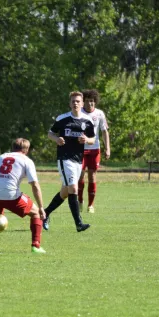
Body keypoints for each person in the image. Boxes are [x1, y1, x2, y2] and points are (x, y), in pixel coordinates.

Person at [0, 138, 47, 253]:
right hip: (11, 194)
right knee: (36, 212)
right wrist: (41, 207)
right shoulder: (26, 160)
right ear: (26, 150)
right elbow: (35, 185)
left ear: (12, 148)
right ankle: (36, 246)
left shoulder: (0, 157)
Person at [42, 91, 96, 232]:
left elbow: (93, 139)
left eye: (78, 101)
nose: (75, 103)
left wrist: (86, 140)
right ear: (69, 103)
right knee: (73, 188)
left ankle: (45, 213)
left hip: (78, 160)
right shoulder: (62, 119)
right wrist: (56, 139)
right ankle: (79, 224)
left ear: (82, 103)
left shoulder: (87, 121)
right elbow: (50, 133)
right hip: (65, 159)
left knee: (65, 192)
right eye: (73, 101)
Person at [78, 89, 110, 213]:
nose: (90, 104)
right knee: (80, 176)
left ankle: (91, 205)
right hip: (80, 150)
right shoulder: (78, 113)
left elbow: (104, 131)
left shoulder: (100, 114)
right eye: (87, 101)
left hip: (94, 149)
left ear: (95, 102)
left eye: (92, 101)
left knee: (92, 176)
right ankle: (80, 201)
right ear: (83, 102)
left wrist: (108, 148)